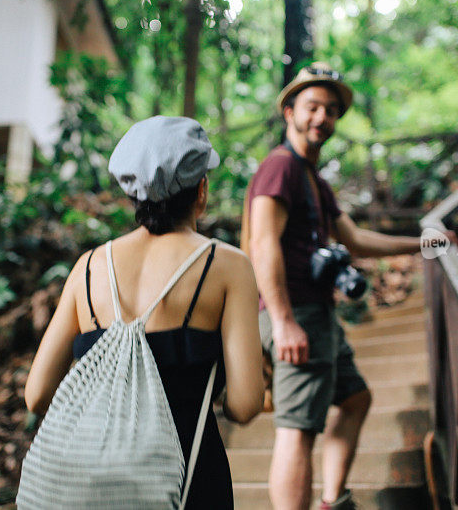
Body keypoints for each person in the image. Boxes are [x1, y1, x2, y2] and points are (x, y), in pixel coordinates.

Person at [24, 115, 264, 509]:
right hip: (187, 480)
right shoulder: (227, 266)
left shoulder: (88, 267)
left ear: (133, 193)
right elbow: (245, 404)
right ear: (200, 190)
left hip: (92, 487)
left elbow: (36, 396)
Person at [247, 63, 434, 510]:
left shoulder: (313, 178)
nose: (322, 118)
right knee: (297, 429)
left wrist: (424, 243)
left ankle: (332, 500)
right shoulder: (279, 168)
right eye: (312, 107)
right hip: (295, 315)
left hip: (317, 315)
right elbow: (261, 242)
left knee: (356, 399)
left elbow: (355, 239)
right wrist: (284, 321)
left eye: (331, 111)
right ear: (289, 111)